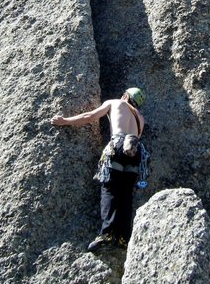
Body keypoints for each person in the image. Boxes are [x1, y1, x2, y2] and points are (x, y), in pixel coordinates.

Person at [52, 87, 146, 252]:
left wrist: (64, 121)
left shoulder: (115, 102)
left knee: (110, 189)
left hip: (117, 146)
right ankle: (124, 238)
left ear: (125, 95)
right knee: (126, 194)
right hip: (136, 153)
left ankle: (108, 234)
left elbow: (89, 116)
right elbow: (134, 141)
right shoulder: (140, 118)